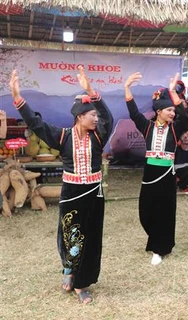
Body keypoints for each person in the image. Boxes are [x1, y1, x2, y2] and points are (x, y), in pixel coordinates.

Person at [10, 67, 113, 304]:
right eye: (91, 115)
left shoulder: (99, 137)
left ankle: (82, 283)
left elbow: (108, 117)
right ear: (80, 117)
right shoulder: (63, 136)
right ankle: (69, 270)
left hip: (94, 193)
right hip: (72, 193)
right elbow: (36, 124)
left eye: (96, 115)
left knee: (92, 237)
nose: (96, 118)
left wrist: (90, 90)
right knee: (71, 236)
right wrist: (17, 98)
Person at [124, 72, 187, 266]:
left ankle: (159, 248)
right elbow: (134, 114)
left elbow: (184, 114)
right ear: (159, 111)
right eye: (168, 110)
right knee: (146, 210)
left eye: (173, 110)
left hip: (167, 175)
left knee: (165, 212)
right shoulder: (147, 127)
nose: (172, 113)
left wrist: (173, 92)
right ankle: (156, 239)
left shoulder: (175, 129)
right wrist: (127, 88)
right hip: (150, 173)